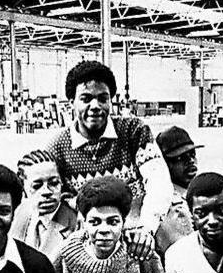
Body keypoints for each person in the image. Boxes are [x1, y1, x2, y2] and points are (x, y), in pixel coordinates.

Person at [45, 60, 172, 259]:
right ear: (71, 103)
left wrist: (146, 229)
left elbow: (159, 183)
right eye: (86, 98)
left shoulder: (133, 131)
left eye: (102, 98)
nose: (95, 106)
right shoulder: (57, 147)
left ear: (111, 101)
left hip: (139, 234)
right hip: (91, 243)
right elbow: (52, 199)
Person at [12, 149, 79, 260]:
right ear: (23, 188)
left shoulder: (76, 224)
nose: (46, 191)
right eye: (37, 186)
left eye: (53, 183)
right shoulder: (17, 214)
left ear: (62, 183)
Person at [152, 125, 198, 256]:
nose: (190, 161)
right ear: (165, 164)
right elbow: (186, 256)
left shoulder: (194, 191)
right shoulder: (168, 204)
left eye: (192, 154)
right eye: (181, 158)